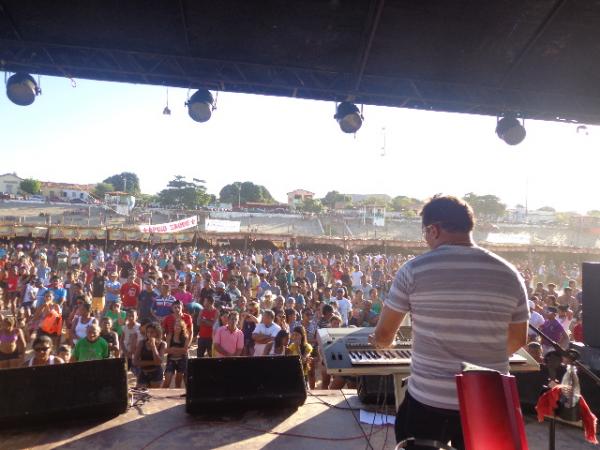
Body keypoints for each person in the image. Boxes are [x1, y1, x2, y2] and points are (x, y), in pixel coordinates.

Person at [371, 195, 529, 449]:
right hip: (489, 398)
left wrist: (381, 344)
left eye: (425, 232)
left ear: (433, 229)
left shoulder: (414, 269)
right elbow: (518, 339)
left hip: (428, 400)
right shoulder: (510, 274)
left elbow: (384, 335)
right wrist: (478, 361)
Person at [134, 322, 166, 388]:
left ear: (157, 333)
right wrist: (154, 362)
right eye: (148, 332)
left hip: (156, 373)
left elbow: (159, 361)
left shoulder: (162, 344)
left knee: (155, 395)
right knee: (141, 395)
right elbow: (135, 362)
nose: (149, 334)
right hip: (143, 373)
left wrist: (153, 346)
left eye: (152, 332)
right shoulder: (142, 343)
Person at [163, 317, 191, 388]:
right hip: (171, 360)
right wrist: (179, 350)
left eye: (179, 326)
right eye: (176, 325)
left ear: (182, 328)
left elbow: (185, 351)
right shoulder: (169, 336)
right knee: (167, 382)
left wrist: (173, 349)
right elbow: (166, 350)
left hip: (182, 360)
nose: (177, 327)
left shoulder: (185, 337)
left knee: (178, 383)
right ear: (173, 326)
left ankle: (176, 398)